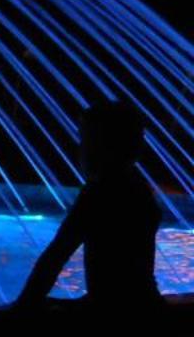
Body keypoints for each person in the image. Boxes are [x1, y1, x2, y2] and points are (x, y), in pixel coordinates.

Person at [15, 101, 162, 311]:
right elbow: (128, 271)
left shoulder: (102, 192)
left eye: (85, 138)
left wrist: (22, 306)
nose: (80, 147)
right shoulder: (137, 186)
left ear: (102, 144)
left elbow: (55, 256)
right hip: (145, 307)